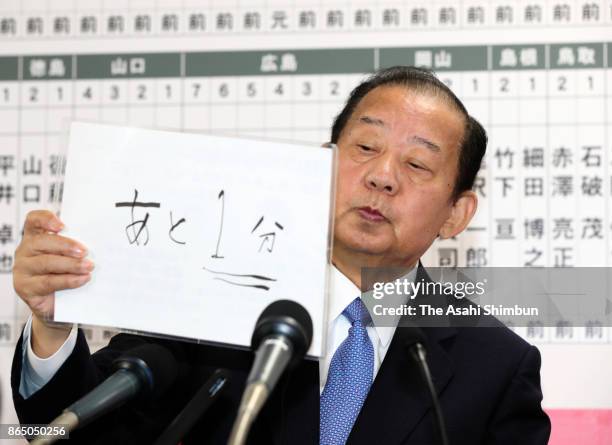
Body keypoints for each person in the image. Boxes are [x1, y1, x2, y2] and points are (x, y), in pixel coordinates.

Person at [11, 66, 551, 444]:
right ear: (321, 167)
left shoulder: (497, 366)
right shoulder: (212, 300)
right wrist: (51, 329)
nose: (382, 177)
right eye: (365, 148)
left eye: (417, 165)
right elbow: (72, 429)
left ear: (457, 213)